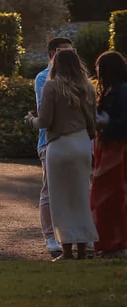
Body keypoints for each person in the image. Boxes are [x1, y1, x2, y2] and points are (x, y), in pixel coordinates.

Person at [34, 47, 98, 260]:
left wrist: (30, 120)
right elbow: (92, 121)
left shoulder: (52, 86)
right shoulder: (88, 87)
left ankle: (67, 250)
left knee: (60, 198)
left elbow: (44, 121)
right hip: (81, 143)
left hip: (59, 145)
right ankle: (83, 246)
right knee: (81, 196)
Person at [34, 36, 75, 259]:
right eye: (64, 52)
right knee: (49, 190)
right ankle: (50, 237)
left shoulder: (78, 79)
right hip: (49, 141)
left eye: (72, 51)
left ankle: (75, 237)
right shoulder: (43, 78)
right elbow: (45, 113)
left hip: (73, 140)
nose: (71, 56)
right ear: (53, 53)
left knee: (75, 190)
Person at [92, 51, 127, 255]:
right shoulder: (114, 89)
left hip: (117, 150)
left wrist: (106, 124)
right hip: (110, 149)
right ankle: (110, 242)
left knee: (110, 197)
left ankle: (114, 243)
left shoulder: (121, 91)